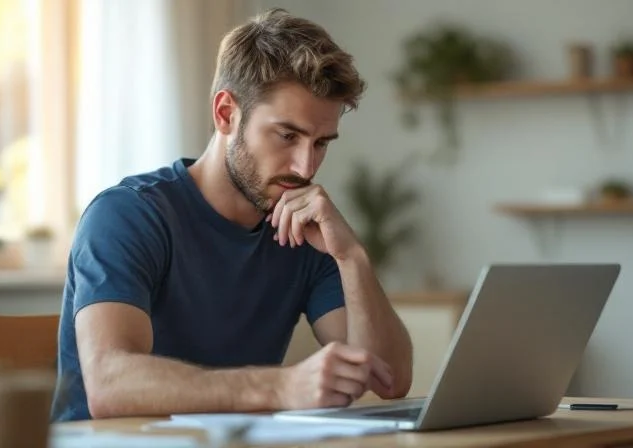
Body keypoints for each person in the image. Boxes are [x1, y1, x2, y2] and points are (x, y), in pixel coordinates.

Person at [51, 8, 413, 422]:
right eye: (287, 135)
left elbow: (390, 379)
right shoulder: (128, 215)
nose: (305, 167)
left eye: (321, 143)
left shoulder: (303, 227)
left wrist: (352, 257)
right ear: (226, 113)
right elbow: (111, 386)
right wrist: (281, 386)